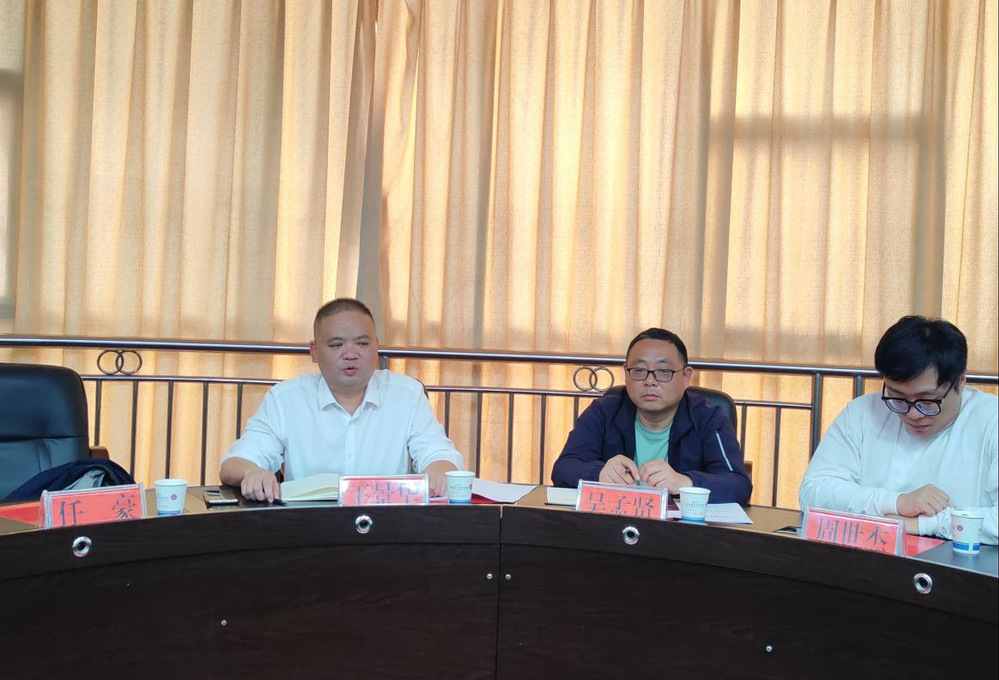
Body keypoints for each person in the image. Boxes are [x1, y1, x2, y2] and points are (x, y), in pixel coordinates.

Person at [221, 298, 463, 501]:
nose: (351, 354)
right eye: (337, 345)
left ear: (376, 347)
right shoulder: (285, 399)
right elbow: (233, 464)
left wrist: (438, 470)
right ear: (314, 351)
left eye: (362, 343)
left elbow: (440, 455)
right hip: (309, 528)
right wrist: (252, 472)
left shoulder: (407, 394)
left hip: (389, 526)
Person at [799, 315, 998, 544]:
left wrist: (925, 524)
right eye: (897, 397)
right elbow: (813, 492)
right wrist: (897, 503)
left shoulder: (991, 420)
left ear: (960, 382)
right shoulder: (863, 412)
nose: (913, 414)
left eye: (927, 401)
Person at [551, 328, 752, 504]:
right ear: (626, 373)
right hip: (612, 523)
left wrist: (684, 483)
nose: (650, 381)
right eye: (639, 370)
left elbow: (738, 484)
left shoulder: (708, 418)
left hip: (682, 530)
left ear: (685, 376)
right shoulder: (604, 410)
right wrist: (599, 474)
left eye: (664, 371)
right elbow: (563, 468)